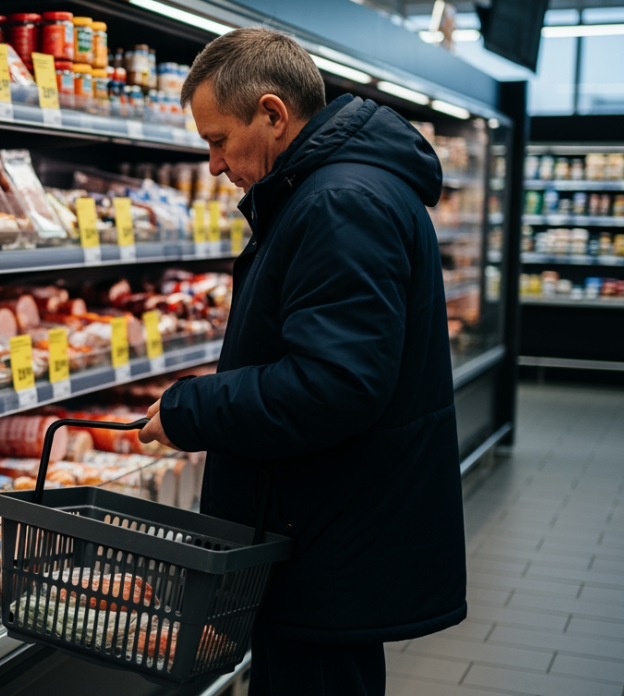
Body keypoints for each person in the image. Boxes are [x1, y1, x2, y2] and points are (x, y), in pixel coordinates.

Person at [137, 27, 466, 696]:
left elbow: (332, 385)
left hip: (326, 540)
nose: (213, 165)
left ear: (272, 113)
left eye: (217, 140)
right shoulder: (334, 192)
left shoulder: (340, 203)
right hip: (326, 524)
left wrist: (191, 406)